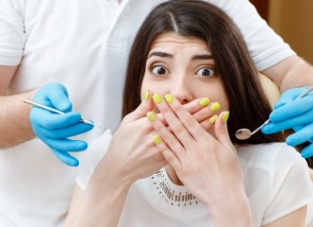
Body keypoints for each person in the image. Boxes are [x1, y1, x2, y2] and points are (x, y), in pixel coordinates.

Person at [1, 0, 313, 226]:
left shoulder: (278, 173)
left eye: (206, 71)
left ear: (233, 83)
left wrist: (228, 202)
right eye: (160, 69)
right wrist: (24, 114)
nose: (179, 92)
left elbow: (291, 72)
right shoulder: (104, 157)